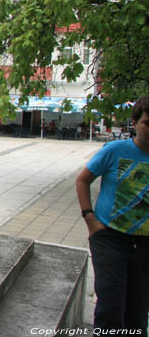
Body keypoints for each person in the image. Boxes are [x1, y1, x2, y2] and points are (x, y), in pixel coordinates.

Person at [76, 95, 149, 334]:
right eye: (147, 123)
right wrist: (90, 219)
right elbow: (83, 179)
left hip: (145, 243)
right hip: (110, 237)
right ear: (135, 123)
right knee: (110, 306)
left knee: (138, 309)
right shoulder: (115, 150)